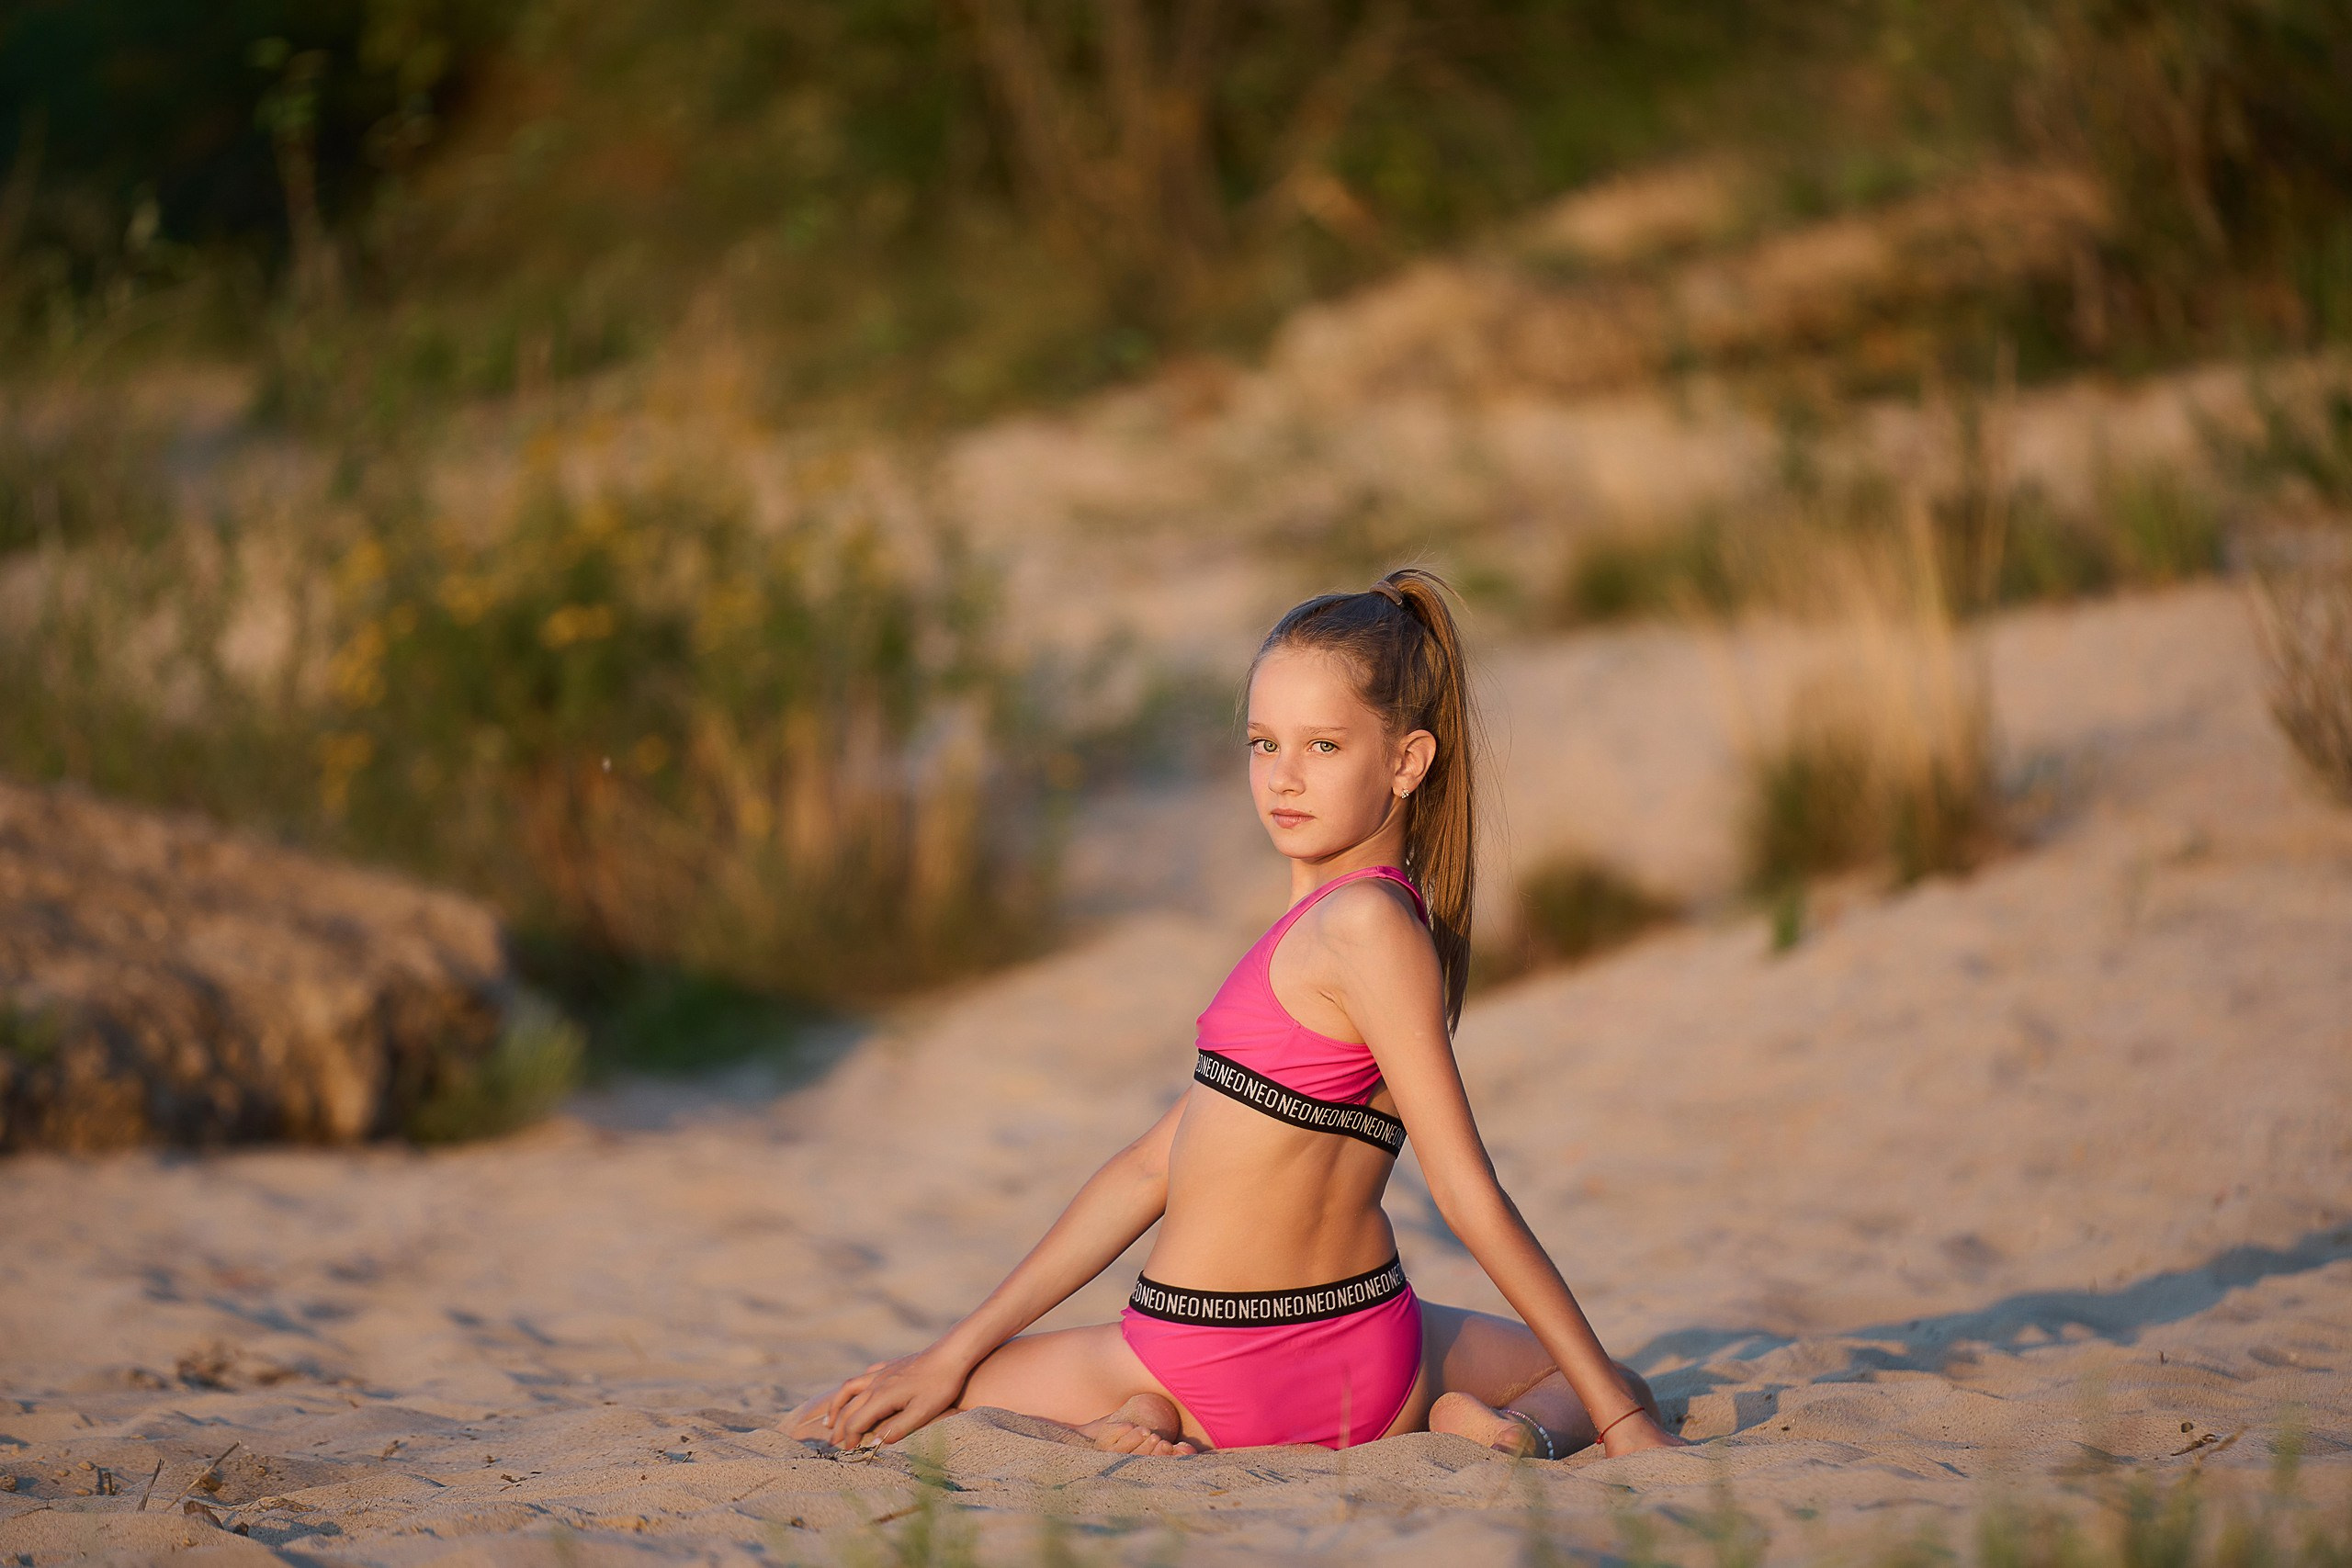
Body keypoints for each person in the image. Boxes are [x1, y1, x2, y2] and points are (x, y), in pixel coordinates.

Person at [787, 570, 1686, 1461]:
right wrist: (1612, 1410)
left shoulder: (1360, 926)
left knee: (842, 1412)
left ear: (1407, 762)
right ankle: (1494, 1427)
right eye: (1263, 744)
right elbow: (1150, 1166)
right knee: (1604, 1378)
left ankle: (1147, 1408)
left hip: (1203, 1356)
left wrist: (953, 1357)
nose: (1284, 778)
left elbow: (1463, 1191)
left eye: (1323, 746)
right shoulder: (1363, 927)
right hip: (1372, 1362)